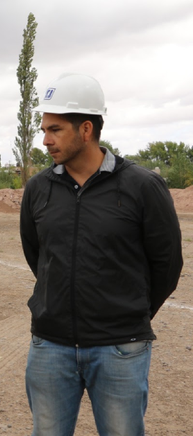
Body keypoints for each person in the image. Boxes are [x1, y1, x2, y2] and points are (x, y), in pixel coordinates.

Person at [20, 73, 183, 435]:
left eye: (55, 129)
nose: (45, 140)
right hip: (50, 346)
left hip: (120, 349)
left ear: (87, 129)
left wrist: (127, 315)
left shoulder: (142, 186)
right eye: (44, 129)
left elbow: (167, 265)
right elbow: (38, 255)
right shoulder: (38, 189)